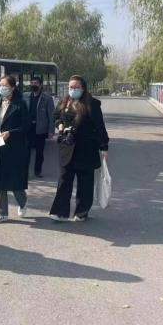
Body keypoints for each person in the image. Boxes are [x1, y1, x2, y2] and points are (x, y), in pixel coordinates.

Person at [49, 75, 109, 222]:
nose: (73, 90)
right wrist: (60, 125)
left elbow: (99, 126)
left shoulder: (92, 104)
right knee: (64, 180)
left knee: (85, 182)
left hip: (86, 149)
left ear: (83, 88)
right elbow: (56, 116)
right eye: (71, 87)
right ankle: (60, 211)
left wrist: (104, 146)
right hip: (67, 147)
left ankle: (82, 211)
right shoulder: (64, 101)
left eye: (76, 87)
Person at [0, 75, 30, 224]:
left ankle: (23, 202)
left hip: (14, 148)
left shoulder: (20, 104)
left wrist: (11, 133)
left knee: (14, 181)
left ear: (13, 88)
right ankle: (1, 213)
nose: (2, 88)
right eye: (0, 85)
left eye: (5, 86)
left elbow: (26, 126)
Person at [24, 76, 55, 178]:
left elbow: (51, 115)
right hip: (28, 129)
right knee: (26, 151)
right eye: (32, 83)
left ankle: (38, 171)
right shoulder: (26, 96)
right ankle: (25, 172)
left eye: (36, 83)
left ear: (41, 85)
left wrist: (51, 131)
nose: (34, 85)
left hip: (40, 130)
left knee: (39, 152)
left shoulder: (47, 98)